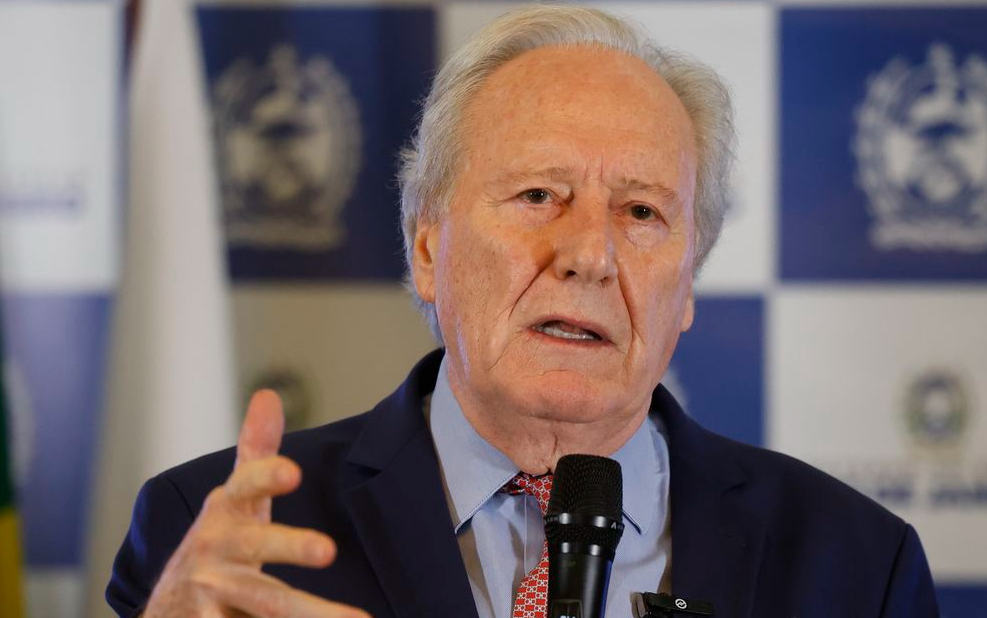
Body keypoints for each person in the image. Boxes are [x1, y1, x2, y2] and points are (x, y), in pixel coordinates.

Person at [107, 5, 940, 618]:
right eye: (539, 194)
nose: (589, 254)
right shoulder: (221, 537)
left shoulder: (855, 567)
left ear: (686, 284)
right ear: (426, 247)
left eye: (641, 211)